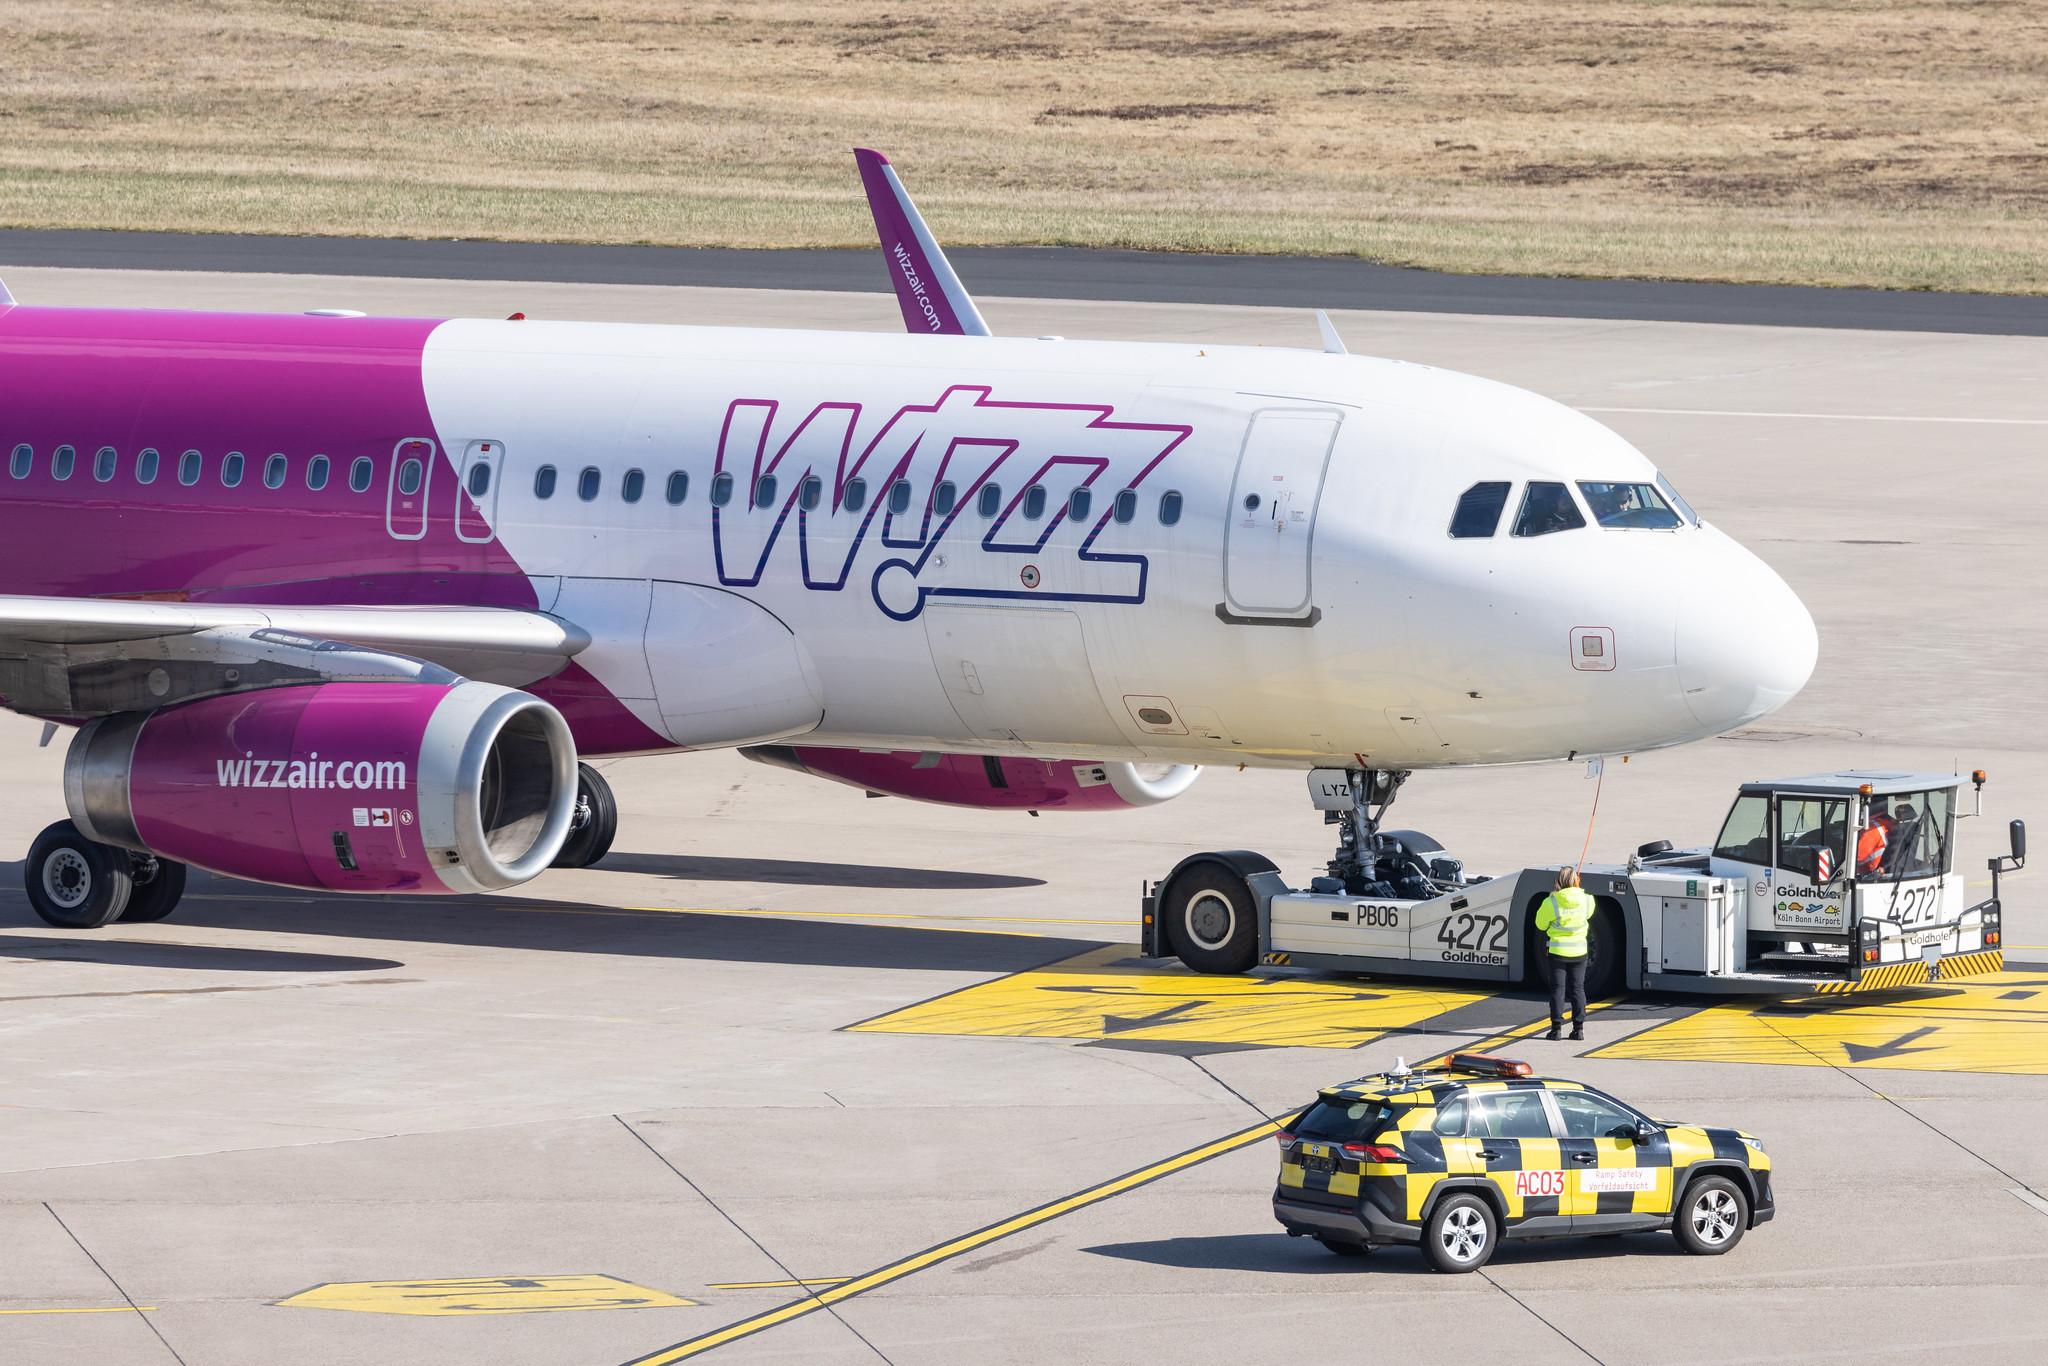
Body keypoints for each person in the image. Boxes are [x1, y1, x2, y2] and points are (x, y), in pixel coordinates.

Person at [1535, 866, 1592, 1041]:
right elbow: (1589, 913)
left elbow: (1540, 924)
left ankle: (1556, 1030)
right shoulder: (1587, 900)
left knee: (1558, 990)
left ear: (1558, 881)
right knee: (1578, 989)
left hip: (1558, 951)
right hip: (1580, 951)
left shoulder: (1551, 902)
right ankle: (1578, 1029)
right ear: (1576, 880)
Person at [1856, 800, 1896, 877]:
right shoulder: (1887, 824)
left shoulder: (1873, 829)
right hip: (1877, 871)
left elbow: (1856, 856)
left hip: (1868, 874)